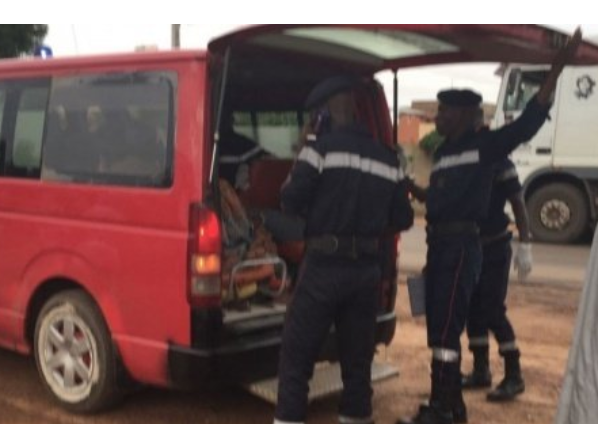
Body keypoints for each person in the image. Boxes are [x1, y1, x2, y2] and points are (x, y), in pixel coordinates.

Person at [399, 28, 582, 424]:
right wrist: (412, 188)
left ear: (465, 115)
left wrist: (557, 68)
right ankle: (450, 405)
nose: (439, 117)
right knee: (439, 329)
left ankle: (443, 408)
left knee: (448, 330)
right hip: (439, 248)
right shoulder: (445, 152)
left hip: (464, 249)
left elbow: (529, 122)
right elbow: (441, 200)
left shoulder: (487, 148)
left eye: (445, 112)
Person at [274, 75, 414, 424]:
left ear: (331, 110)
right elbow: (403, 217)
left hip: (324, 268)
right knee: (357, 363)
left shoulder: (318, 150)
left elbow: (290, 202)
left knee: (297, 357)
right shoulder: (389, 158)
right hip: (366, 271)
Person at [461, 117, 532, 403]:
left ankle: (514, 375)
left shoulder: (501, 163)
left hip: (495, 247)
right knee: (473, 311)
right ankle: (481, 370)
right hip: (472, 247)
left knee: (492, 310)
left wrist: (526, 242)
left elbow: (518, 202)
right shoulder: (469, 162)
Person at [217, 109, 269, 190]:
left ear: (231, 120)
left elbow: (269, 160)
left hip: (236, 195)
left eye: (225, 118)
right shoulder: (206, 144)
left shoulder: (240, 143)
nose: (222, 122)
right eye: (220, 118)